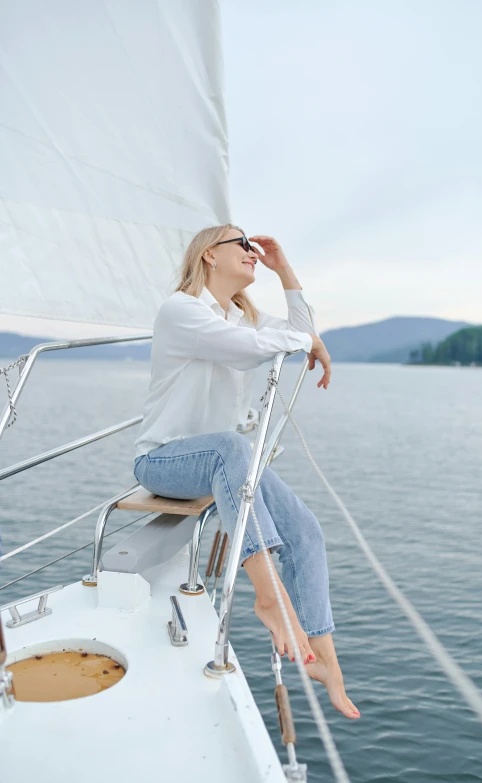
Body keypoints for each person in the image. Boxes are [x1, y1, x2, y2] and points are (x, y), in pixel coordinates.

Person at [134, 224, 360, 719]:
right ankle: (268, 597)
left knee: (305, 531)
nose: (252, 252)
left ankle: (327, 662)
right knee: (230, 449)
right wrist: (309, 341)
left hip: (223, 459)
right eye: (242, 244)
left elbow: (293, 329)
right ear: (209, 255)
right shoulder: (182, 311)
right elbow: (255, 349)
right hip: (164, 460)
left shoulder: (240, 317)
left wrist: (285, 271)